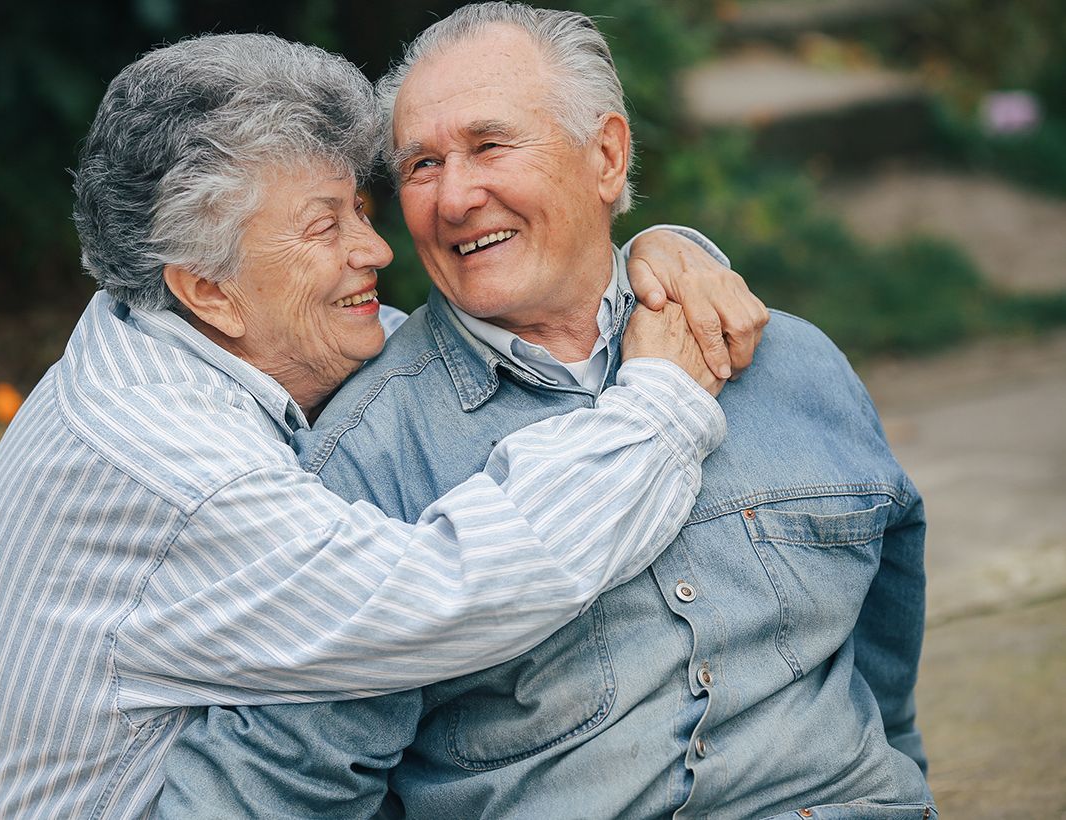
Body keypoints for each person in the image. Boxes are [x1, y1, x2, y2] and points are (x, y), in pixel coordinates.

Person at [0, 31, 769, 818]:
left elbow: (486, 336)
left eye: (362, 210)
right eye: (323, 227)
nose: (374, 251)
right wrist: (662, 403)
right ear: (209, 290)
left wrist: (650, 257)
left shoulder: (188, 328)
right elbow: (449, 597)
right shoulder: (171, 465)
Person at [160, 5, 934, 819]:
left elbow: (883, 656)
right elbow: (282, 776)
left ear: (606, 155)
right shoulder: (365, 461)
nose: (454, 197)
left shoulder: (788, 362)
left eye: (490, 145)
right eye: (421, 164)